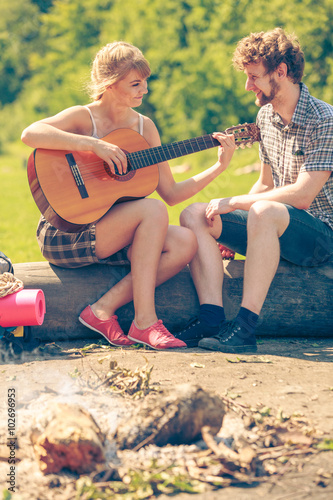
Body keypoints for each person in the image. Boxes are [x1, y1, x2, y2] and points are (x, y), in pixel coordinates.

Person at [21, 41, 236, 350]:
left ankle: (102, 309)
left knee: (184, 241)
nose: (144, 90)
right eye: (136, 83)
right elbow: (30, 134)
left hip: (109, 233)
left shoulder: (144, 128)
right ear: (110, 84)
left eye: (145, 82)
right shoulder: (85, 118)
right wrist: (94, 145)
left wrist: (218, 167)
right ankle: (144, 322)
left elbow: (172, 194)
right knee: (152, 211)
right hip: (64, 232)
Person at [176, 28, 333, 352]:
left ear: (281, 72)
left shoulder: (324, 119)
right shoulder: (265, 116)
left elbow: (303, 195)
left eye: (253, 77)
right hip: (277, 224)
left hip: (321, 236)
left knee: (261, 209)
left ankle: (245, 329)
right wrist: (230, 223)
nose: (248, 86)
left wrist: (235, 202)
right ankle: (211, 318)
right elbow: (265, 183)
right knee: (195, 214)